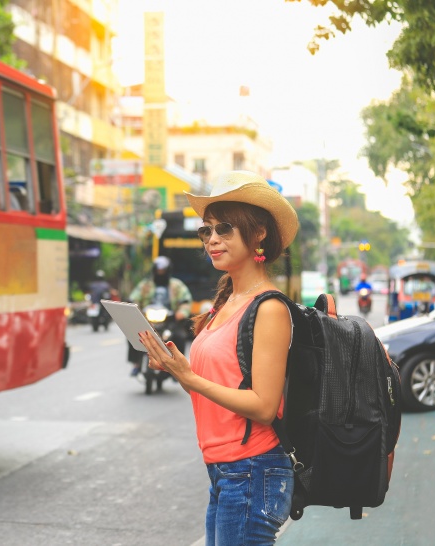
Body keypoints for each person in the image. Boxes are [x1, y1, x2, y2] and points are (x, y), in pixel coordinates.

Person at [138, 170, 299, 545]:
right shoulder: (225, 303)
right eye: (206, 231)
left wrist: (190, 377)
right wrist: (176, 369)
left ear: (258, 233)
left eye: (224, 229)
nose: (212, 239)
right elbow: (218, 392)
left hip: (252, 470)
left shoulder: (269, 308)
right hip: (225, 472)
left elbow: (262, 406)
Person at [127, 255, 192, 376]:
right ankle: (136, 363)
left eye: (163, 271)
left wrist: (181, 313)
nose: (160, 273)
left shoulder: (177, 285)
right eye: (158, 270)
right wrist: (134, 307)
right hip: (147, 319)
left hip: (170, 320)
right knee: (134, 336)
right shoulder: (145, 285)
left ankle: (178, 368)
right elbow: (134, 297)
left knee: (180, 336)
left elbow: (186, 301)